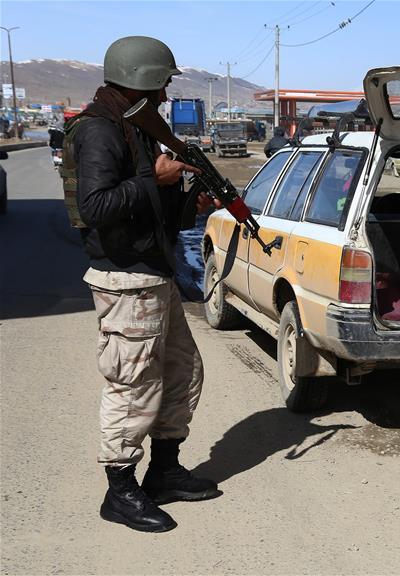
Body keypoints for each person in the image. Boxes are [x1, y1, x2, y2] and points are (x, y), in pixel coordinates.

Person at [72, 36, 220, 533]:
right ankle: (120, 491)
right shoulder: (99, 131)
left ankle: (164, 472)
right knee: (134, 387)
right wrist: (152, 182)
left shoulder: (134, 127)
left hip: (154, 275)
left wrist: (183, 202)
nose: (164, 96)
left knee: (183, 373)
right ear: (143, 79)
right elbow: (95, 208)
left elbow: (151, 213)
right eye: (162, 84)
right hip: (125, 280)